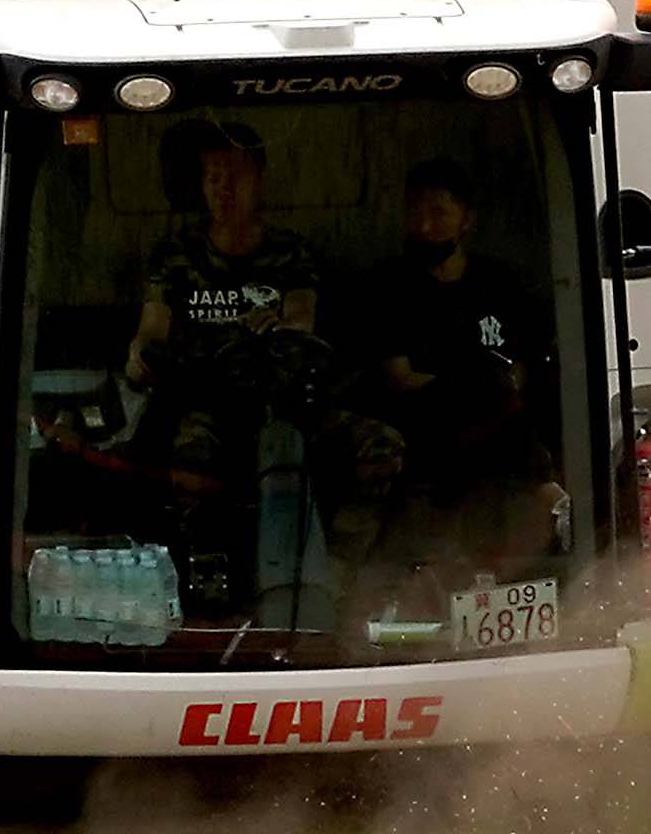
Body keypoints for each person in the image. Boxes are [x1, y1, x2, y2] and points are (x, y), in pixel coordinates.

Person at [118, 120, 349, 608]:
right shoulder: (177, 255)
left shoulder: (289, 252)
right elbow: (151, 333)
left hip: (284, 403)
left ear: (259, 179)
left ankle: (346, 584)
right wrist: (142, 358)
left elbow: (301, 321)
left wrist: (280, 327)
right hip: (205, 401)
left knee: (375, 449)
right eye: (213, 178)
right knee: (189, 455)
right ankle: (204, 581)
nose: (224, 189)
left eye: (235, 176)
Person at [341, 157, 562, 573]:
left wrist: (499, 391)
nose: (425, 227)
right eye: (415, 213)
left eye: (438, 213)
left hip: (504, 434)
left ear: (466, 220)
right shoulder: (387, 286)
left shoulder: (502, 284)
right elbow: (400, 378)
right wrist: (475, 389)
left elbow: (523, 369)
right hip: (424, 432)